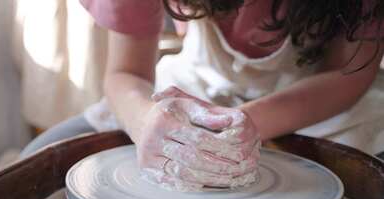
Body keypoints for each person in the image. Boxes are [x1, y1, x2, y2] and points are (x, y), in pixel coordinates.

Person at [22, 0, 384, 188]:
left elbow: (348, 73)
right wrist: (146, 121)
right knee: (35, 162)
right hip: (197, 84)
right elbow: (126, 74)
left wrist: (251, 122)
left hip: (318, 100)